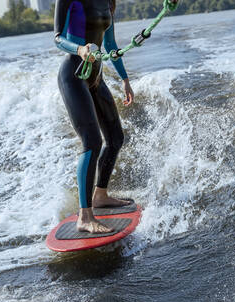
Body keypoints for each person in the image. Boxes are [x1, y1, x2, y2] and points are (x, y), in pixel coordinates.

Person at [54, 0, 134, 233]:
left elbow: (109, 44)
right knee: (92, 142)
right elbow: (58, 38)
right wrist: (80, 49)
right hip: (74, 74)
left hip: (96, 76)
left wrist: (125, 79)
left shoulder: (107, 1)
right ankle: (85, 217)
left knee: (116, 138)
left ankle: (100, 195)